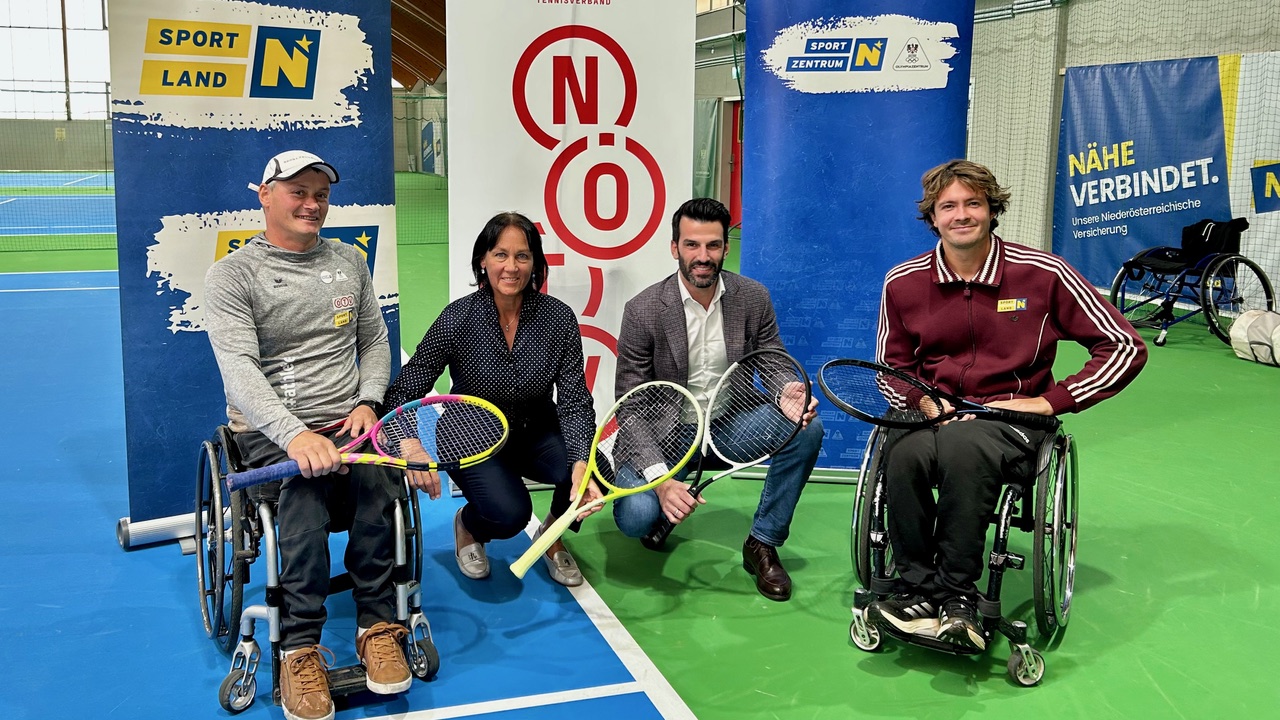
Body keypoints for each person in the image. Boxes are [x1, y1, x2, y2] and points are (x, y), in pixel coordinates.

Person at [869, 159, 1147, 650]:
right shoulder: (903, 281)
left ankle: (957, 596)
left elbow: (1124, 346)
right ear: (932, 217)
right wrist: (923, 400)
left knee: (963, 448)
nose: (961, 215)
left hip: (1010, 420)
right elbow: (891, 366)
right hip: (934, 414)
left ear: (992, 211)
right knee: (904, 453)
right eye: (947, 206)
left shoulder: (1045, 273)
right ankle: (916, 587)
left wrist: (1050, 401)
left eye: (973, 203)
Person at [204, 150, 411, 720]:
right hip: (271, 432)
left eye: (320, 194)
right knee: (303, 496)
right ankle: (299, 647)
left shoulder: (349, 261)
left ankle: (378, 627)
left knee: (378, 486)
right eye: (298, 192)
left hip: (349, 424)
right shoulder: (233, 275)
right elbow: (239, 371)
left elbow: (374, 342)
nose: (312, 204)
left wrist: (369, 402)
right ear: (265, 195)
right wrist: (296, 436)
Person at [613, 197, 824, 602]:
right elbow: (631, 405)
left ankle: (762, 542)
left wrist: (785, 390)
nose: (703, 256)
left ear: (727, 248)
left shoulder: (753, 297)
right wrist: (662, 483)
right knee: (637, 518)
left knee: (806, 429)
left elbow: (772, 360)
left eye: (713, 245)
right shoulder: (643, 311)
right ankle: (663, 502)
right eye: (692, 245)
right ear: (674, 248)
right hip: (664, 438)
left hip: (729, 427)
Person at [384, 211, 600, 587]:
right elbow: (403, 391)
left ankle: (551, 535)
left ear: (535, 262)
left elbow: (575, 401)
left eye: (522, 256)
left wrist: (581, 461)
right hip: (472, 436)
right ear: (483, 260)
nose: (511, 267)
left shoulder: (559, 318)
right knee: (510, 515)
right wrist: (410, 444)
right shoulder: (457, 319)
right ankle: (468, 525)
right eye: (501, 254)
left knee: (596, 470)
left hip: (536, 431)